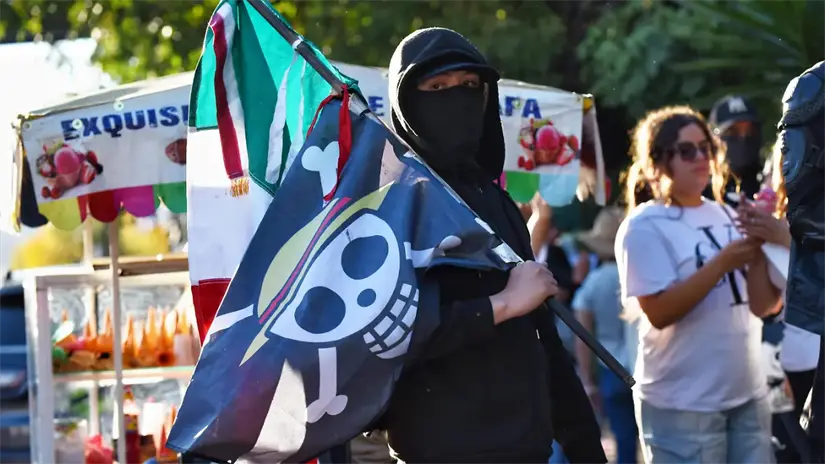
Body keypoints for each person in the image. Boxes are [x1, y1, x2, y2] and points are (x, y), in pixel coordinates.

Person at [375, 27, 605, 464]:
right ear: (406, 102)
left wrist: (585, 446)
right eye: (436, 87)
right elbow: (395, 331)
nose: (456, 98)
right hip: (440, 451)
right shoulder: (394, 204)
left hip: (528, 449)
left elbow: (543, 338)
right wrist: (502, 304)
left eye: (468, 86)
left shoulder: (492, 199)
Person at [617, 105, 781, 463]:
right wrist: (723, 262)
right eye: (687, 150)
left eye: (706, 147)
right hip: (682, 407)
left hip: (748, 398)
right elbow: (659, 313)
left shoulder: (728, 212)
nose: (701, 158)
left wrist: (756, 257)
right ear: (658, 162)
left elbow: (763, 308)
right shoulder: (644, 225)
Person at [572, 206, 638, 464]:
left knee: (623, 440)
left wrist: (587, 380)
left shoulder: (594, 283)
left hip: (611, 369)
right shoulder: (641, 275)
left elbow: (583, 336)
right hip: (644, 366)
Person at [707, 95, 764, 206]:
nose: (743, 139)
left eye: (751, 132)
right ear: (713, 139)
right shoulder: (701, 195)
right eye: (732, 132)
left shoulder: (771, 188)